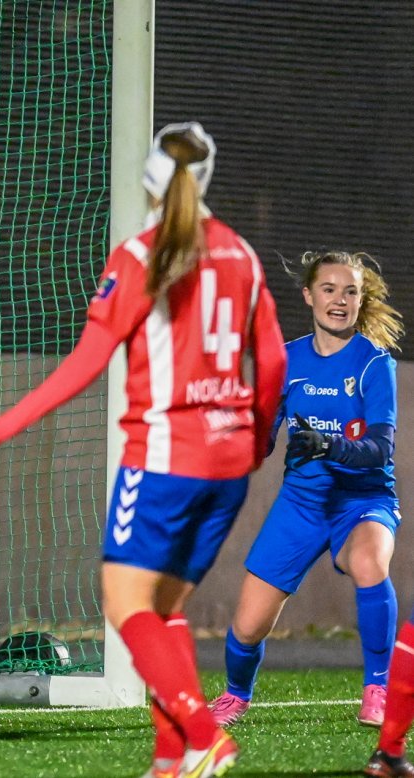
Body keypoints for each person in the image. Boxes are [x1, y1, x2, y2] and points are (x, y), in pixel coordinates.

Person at [0, 121, 287, 778]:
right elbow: (275, 362)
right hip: (229, 463)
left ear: (149, 177)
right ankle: (171, 757)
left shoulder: (141, 255)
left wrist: (7, 422)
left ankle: (205, 736)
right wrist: (256, 440)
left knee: (124, 604)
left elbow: (88, 360)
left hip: (166, 458)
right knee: (164, 609)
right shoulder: (241, 253)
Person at [199, 252, 403, 724]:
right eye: (329, 289)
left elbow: (379, 449)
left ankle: (378, 689)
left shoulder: (375, 364)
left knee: (368, 562)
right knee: (247, 627)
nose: (340, 300)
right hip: (301, 505)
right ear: (309, 296)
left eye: (350, 291)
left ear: (360, 301)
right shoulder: (286, 360)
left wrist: (329, 445)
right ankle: (235, 695)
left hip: (362, 501)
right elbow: (261, 442)